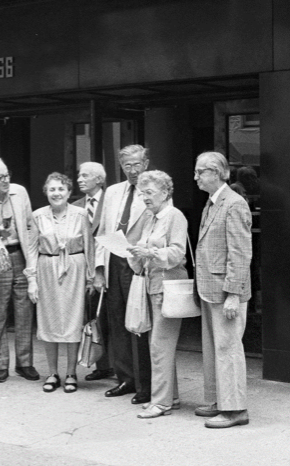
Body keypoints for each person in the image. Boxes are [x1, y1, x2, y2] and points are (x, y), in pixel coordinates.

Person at [193, 151, 252, 428]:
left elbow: (240, 254)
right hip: (210, 289)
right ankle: (220, 400)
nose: (195, 177)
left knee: (228, 349)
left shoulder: (234, 204)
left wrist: (233, 295)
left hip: (225, 292)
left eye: (200, 172)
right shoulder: (212, 203)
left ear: (216, 173)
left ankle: (235, 409)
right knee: (215, 349)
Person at [127, 170, 188, 418]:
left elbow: (177, 253)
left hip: (168, 286)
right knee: (162, 345)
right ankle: (168, 397)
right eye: (142, 193)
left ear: (165, 192)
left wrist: (150, 252)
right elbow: (145, 252)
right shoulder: (151, 217)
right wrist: (134, 253)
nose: (144, 198)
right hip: (154, 285)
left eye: (149, 193)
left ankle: (160, 402)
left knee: (159, 345)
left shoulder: (175, 216)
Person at [30, 172, 98, 394]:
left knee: (72, 321)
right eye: (52, 189)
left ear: (69, 192)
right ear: (46, 193)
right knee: (48, 321)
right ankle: (52, 372)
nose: (56, 193)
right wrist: (32, 280)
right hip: (47, 269)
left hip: (74, 269)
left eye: (61, 189)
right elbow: (31, 249)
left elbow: (89, 246)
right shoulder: (38, 215)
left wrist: (91, 276)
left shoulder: (80, 214)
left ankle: (70, 373)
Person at [0, 158, 39, 383]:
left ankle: (25, 362)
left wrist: (32, 259)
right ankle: (0, 363)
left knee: (24, 310)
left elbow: (30, 225)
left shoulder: (19, 192)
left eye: (7, 175)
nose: (5, 181)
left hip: (19, 253)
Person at [100, 144, 152, 404]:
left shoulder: (155, 189)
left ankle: (145, 383)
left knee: (139, 324)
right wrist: (99, 270)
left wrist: (140, 254)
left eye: (137, 164)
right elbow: (103, 229)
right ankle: (125, 378)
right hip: (113, 260)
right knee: (118, 321)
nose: (132, 171)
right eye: (127, 166)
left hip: (137, 263)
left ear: (146, 163)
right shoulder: (111, 192)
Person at [72, 161, 114, 382]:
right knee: (91, 316)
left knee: (108, 317)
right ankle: (101, 364)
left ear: (99, 179)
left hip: (106, 268)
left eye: (85, 175)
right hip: (81, 270)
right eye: (79, 175)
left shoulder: (112, 202)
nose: (80, 179)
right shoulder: (77, 206)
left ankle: (115, 364)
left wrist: (100, 270)